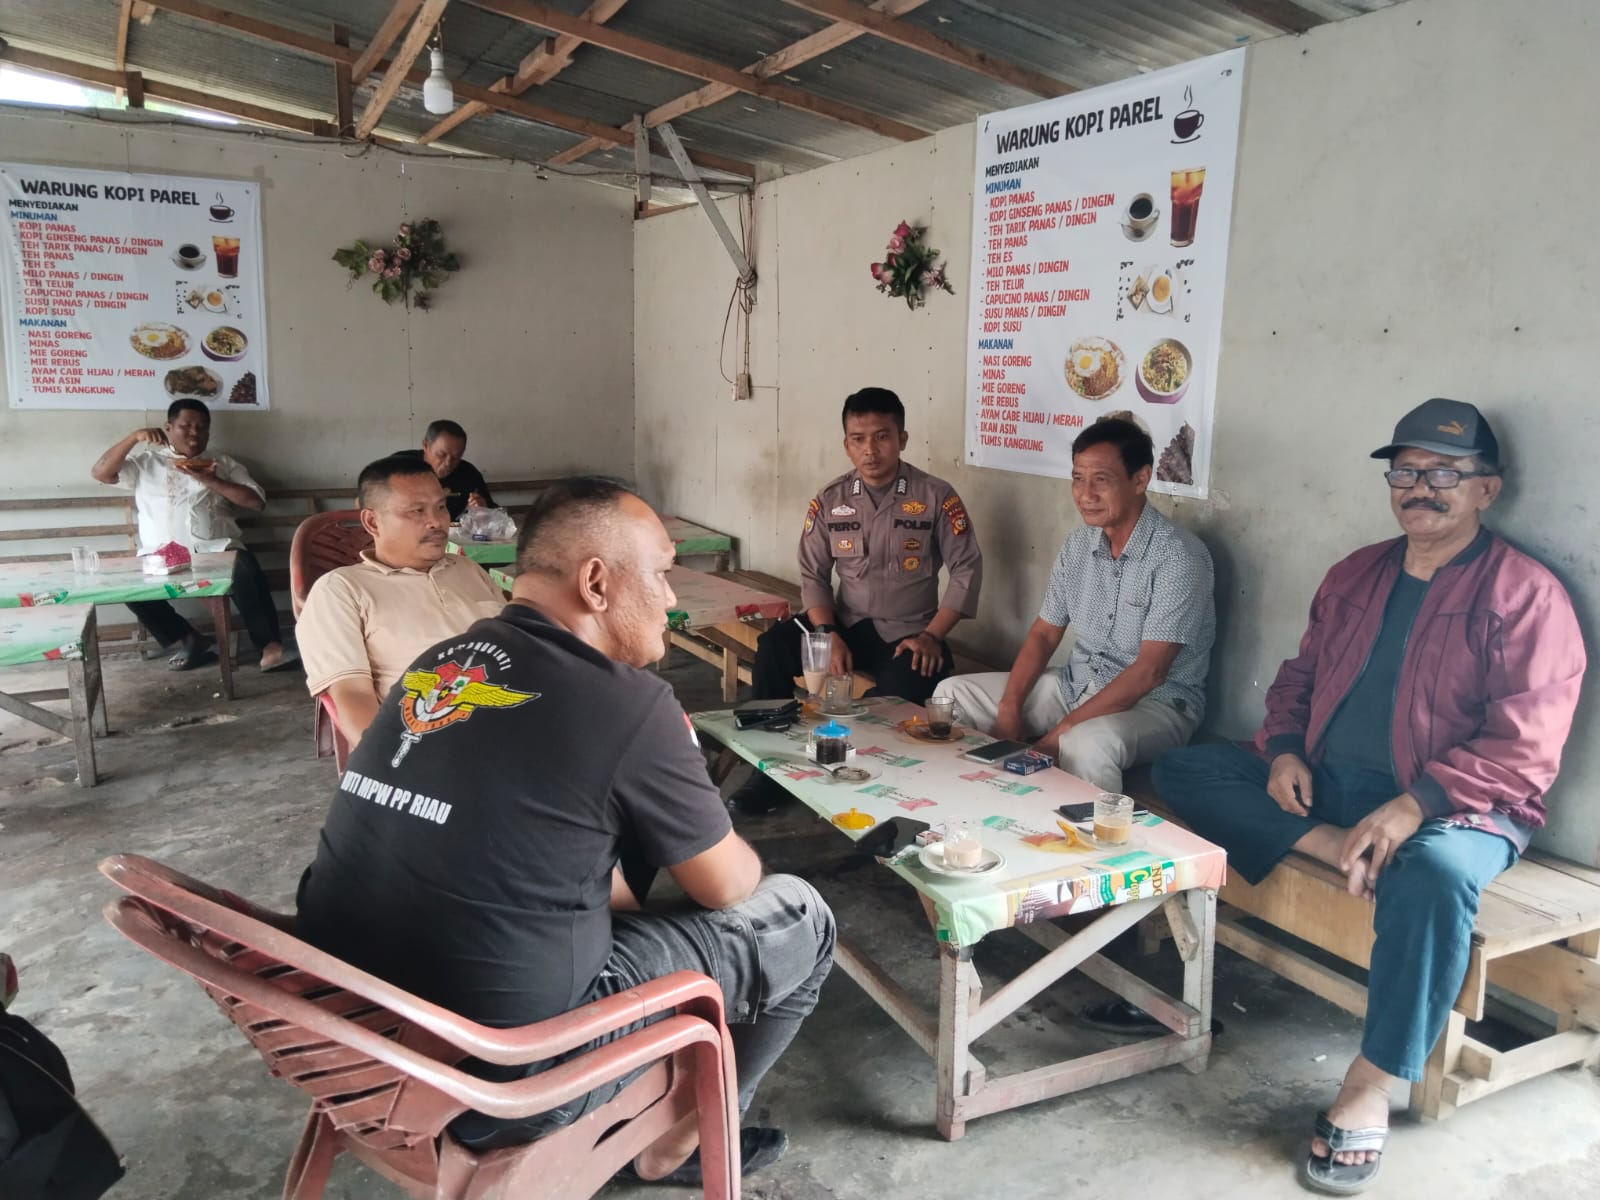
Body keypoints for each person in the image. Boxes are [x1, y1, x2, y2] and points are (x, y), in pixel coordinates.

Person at [295, 477, 834, 1184]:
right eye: (662, 573)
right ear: (596, 583)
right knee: (800, 916)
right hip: (507, 1077)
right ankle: (680, 1143)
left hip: (354, 1037)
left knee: (619, 850)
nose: (670, 598)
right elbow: (727, 886)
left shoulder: (437, 665)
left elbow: (525, 830)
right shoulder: (627, 703)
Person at [1151, 400, 1585, 1195]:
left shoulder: (1525, 595)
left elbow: (1526, 747)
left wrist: (1417, 804)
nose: (1421, 488)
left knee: (1435, 874)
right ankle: (1330, 845)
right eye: (1406, 472)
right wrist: (1284, 750)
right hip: (1333, 787)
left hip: (1463, 806)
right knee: (1183, 770)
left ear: (1486, 489)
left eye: (1444, 474)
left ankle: (1372, 1083)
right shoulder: (1357, 573)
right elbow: (1298, 678)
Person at [731, 388, 984, 814]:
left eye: (882, 436)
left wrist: (933, 636)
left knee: (903, 692)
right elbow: (813, 575)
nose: (871, 450)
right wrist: (827, 633)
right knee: (772, 649)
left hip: (909, 632)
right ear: (846, 444)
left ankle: (862, 787)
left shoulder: (936, 496)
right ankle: (769, 772)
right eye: (859, 439)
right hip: (844, 623)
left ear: (902, 439)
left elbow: (967, 569)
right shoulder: (831, 500)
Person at [935, 417, 1213, 794]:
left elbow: (1150, 671)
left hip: (1154, 706)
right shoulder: (1079, 546)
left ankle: (1087, 833)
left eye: (1101, 480)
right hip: (1076, 684)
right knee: (951, 695)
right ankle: (970, 804)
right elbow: (1044, 634)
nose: (1085, 494)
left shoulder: (1178, 556)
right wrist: (1009, 708)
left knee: (1085, 744)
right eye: (1078, 479)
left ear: (1140, 479)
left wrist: (1057, 735)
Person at [296, 455, 505, 745]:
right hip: (440, 745)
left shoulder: (468, 569)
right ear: (372, 522)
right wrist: (389, 762)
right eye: (417, 511)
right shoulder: (341, 590)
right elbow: (353, 696)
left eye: (441, 507)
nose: (436, 522)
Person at [90, 398, 295, 672]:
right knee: (131, 588)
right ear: (168, 428)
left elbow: (256, 502)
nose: (194, 433)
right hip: (161, 556)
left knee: (246, 570)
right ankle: (189, 639)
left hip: (218, 550)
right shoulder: (146, 463)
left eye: (202, 427)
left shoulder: (222, 463)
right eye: (186, 426)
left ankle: (270, 647)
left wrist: (211, 480)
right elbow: (101, 473)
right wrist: (134, 437)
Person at [393, 418, 495, 521]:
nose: (448, 463)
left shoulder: (469, 473)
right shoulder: (399, 467)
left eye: (456, 457)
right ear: (426, 445)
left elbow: (494, 513)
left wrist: (484, 509)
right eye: (441, 455)